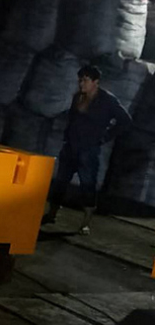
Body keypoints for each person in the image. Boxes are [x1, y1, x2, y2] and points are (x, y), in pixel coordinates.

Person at [42, 65, 131, 235]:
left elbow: (125, 121)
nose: (81, 83)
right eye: (80, 80)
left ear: (95, 82)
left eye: (85, 80)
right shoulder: (78, 97)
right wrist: (67, 136)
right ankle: (52, 213)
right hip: (70, 147)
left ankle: (85, 224)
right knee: (60, 182)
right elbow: (72, 118)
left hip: (88, 150)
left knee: (88, 186)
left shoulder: (107, 100)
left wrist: (104, 137)